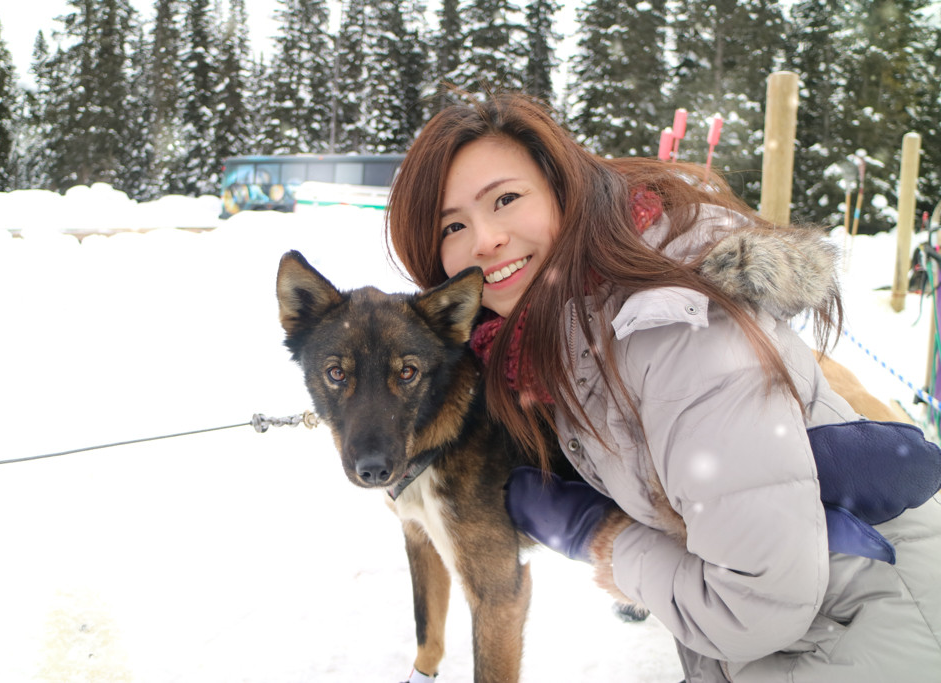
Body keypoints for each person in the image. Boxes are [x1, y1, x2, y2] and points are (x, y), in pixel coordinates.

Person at [386, 91, 941, 681]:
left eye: (506, 198)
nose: (484, 239)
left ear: (563, 189)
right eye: (453, 225)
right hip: (796, 638)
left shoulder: (675, 328)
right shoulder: (557, 337)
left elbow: (754, 607)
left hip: (874, 632)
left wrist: (600, 536)